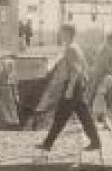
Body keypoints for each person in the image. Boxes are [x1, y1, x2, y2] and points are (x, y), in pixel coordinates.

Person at [35, 24, 101, 154]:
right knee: (84, 115)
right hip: (76, 85)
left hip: (73, 85)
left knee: (61, 115)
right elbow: (83, 68)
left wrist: (70, 89)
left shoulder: (71, 49)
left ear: (68, 33)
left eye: (62, 32)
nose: (60, 34)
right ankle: (96, 142)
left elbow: (76, 70)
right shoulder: (75, 48)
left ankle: (47, 144)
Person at [87, 33, 112, 128]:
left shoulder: (109, 49)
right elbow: (104, 65)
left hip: (106, 77)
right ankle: (104, 121)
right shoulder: (106, 50)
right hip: (103, 78)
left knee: (110, 99)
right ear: (110, 40)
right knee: (106, 100)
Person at [0, 57, 21, 130]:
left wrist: (16, 96)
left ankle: (12, 123)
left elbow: (15, 86)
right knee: (2, 110)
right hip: (2, 95)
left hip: (9, 95)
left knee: (11, 108)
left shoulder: (14, 75)